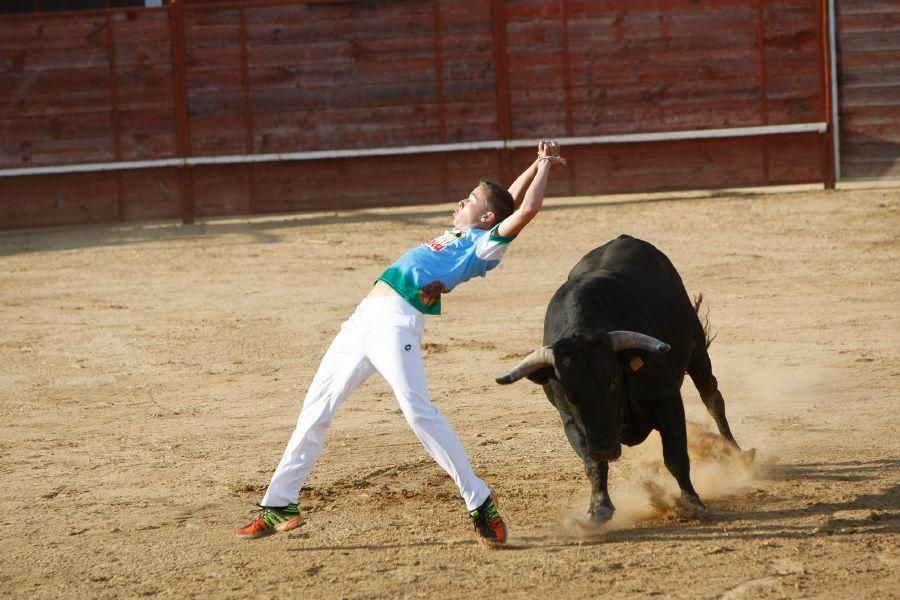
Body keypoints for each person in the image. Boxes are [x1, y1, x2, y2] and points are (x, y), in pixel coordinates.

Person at [235, 141, 565, 546]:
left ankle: (480, 501)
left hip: (396, 322)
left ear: (488, 217)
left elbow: (524, 210)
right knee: (316, 407)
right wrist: (534, 163)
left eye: (471, 200)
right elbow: (509, 200)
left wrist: (546, 165)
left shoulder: (484, 246)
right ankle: (280, 503)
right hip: (361, 320)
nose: (462, 200)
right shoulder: (466, 230)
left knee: (418, 412)